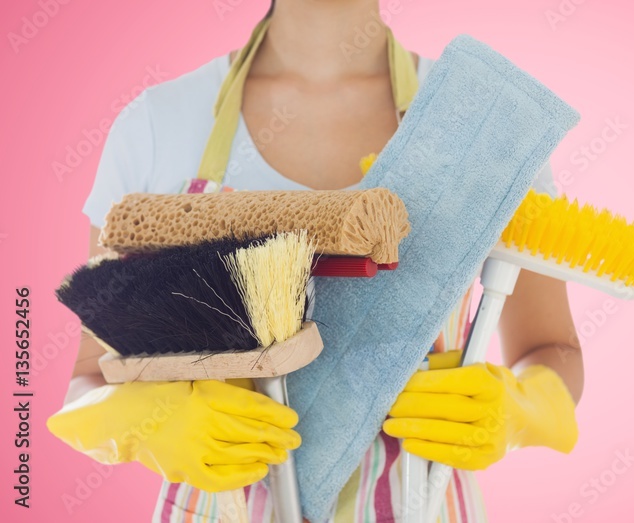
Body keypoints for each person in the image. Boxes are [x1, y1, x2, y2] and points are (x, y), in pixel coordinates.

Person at [47, 1, 583, 521]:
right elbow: (89, 375)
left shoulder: (485, 127)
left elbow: (549, 347)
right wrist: (149, 422)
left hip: (426, 503)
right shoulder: (159, 126)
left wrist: (520, 410)